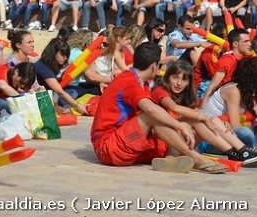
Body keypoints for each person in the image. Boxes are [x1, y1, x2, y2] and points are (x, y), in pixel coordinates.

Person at [90, 42, 227, 173]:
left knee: (188, 120)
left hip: (125, 139)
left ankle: (232, 151)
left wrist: (188, 121)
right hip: (108, 148)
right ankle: (196, 158)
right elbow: (151, 110)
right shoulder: (129, 82)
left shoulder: (138, 82)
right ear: (154, 66)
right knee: (154, 116)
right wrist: (180, 126)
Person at [152, 61, 257, 166]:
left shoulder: (185, 97)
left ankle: (240, 152)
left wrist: (219, 122)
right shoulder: (160, 90)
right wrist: (205, 118)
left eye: (184, 79)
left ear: (188, 82)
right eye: (175, 77)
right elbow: (175, 108)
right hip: (164, 140)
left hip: (186, 140)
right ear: (167, 77)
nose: (179, 83)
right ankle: (242, 152)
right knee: (203, 119)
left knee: (211, 119)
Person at [203, 58, 257, 150]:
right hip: (211, 137)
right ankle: (255, 148)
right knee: (245, 133)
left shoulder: (248, 91)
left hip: (231, 133)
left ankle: (253, 147)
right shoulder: (233, 91)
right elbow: (236, 126)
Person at [35, 38, 87, 114]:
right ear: (53, 53)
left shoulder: (50, 65)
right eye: (62, 55)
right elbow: (60, 91)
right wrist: (77, 106)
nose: (65, 58)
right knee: (72, 93)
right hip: (43, 95)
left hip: (52, 93)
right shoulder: (43, 67)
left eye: (66, 55)